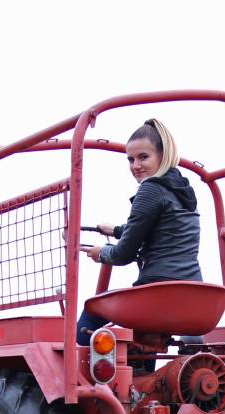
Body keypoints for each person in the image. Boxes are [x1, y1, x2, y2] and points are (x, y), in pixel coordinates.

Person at [77, 118, 202, 344]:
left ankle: (85, 377)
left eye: (143, 157)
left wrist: (102, 252)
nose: (135, 165)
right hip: (192, 293)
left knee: (89, 315)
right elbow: (161, 229)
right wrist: (115, 230)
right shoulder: (181, 190)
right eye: (131, 159)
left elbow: (123, 255)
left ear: (163, 156)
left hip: (159, 291)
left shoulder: (151, 190)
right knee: (143, 331)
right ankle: (144, 371)